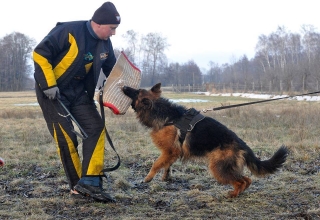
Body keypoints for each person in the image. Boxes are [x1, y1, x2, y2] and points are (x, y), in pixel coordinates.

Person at [33, 2, 121, 202]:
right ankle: (76, 189)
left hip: (80, 93)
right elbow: (40, 53)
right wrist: (48, 84)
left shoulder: (105, 43)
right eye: (112, 28)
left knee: (96, 128)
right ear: (99, 24)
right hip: (52, 92)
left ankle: (90, 182)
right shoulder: (69, 31)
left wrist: (125, 94)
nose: (114, 33)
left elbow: (112, 71)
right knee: (66, 139)